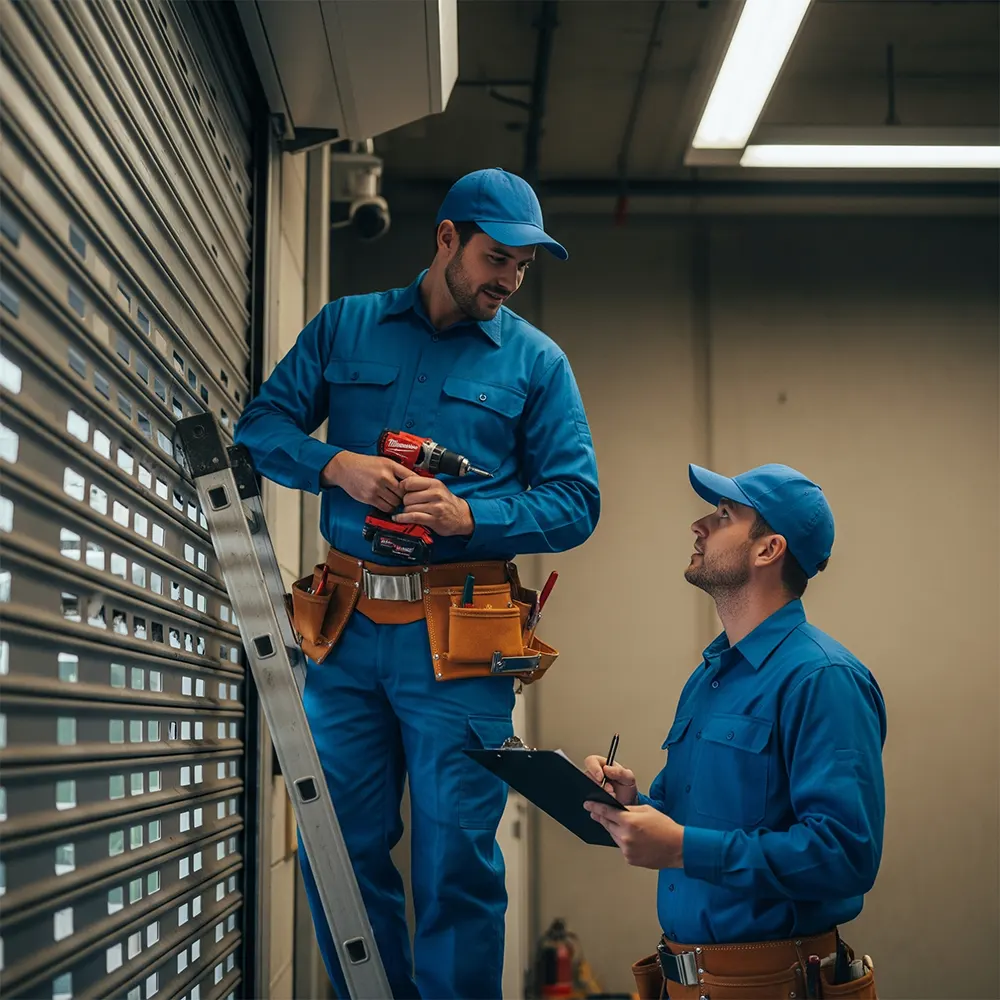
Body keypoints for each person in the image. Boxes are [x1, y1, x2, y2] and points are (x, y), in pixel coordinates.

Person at [234, 167, 600, 999]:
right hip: (345, 633)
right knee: (342, 848)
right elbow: (259, 429)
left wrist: (471, 518)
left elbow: (578, 503)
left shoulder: (539, 363)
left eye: (522, 269)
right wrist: (338, 465)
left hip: (463, 644)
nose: (507, 280)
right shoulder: (346, 328)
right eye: (495, 258)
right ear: (446, 239)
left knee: (458, 863)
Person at [584, 463, 885, 999]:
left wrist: (683, 849)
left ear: (768, 550)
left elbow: (844, 855)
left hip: (772, 985)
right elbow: (707, 823)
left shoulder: (823, 679)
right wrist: (636, 805)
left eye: (723, 515)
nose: (698, 526)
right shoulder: (710, 675)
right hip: (683, 983)